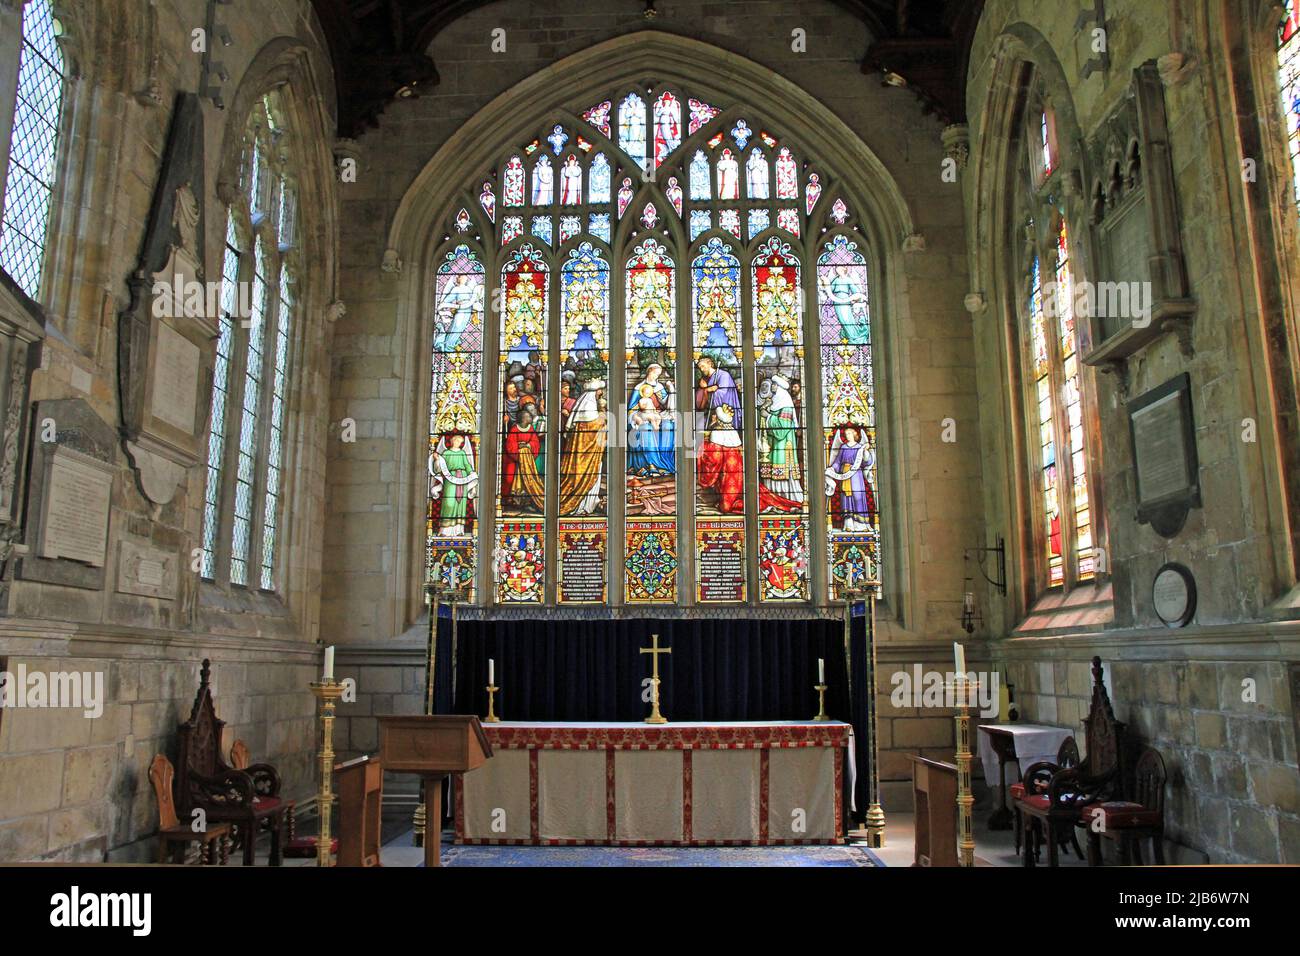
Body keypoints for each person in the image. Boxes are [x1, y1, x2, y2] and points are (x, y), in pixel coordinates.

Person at [557, 380, 607, 515]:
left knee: (594, 476)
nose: (600, 394)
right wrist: (603, 413)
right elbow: (595, 426)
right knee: (586, 477)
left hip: (589, 454)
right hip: (586, 457)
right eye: (599, 391)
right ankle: (582, 507)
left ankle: (589, 504)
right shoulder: (589, 406)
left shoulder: (586, 405)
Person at [759, 374, 803, 509]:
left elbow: (781, 431)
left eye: (774, 385)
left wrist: (768, 416)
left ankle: (785, 499)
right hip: (774, 447)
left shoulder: (786, 406)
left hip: (782, 447)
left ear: (779, 389)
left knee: (782, 474)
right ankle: (773, 500)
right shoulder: (776, 404)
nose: (772, 388)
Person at [824, 425, 875, 530]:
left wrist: (865, 452)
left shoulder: (859, 447)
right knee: (846, 497)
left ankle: (861, 524)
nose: (847, 435)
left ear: (854, 434)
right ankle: (848, 523)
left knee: (858, 497)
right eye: (846, 434)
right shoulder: (843, 447)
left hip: (857, 475)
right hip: (845, 474)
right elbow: (838, 461)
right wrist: (833, 469)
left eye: (849, 433)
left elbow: (868, 462)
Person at [697, 404, 745, 514]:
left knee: (726, 504)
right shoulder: (733, 432)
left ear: (719, 419)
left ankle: (727, 505)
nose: (713, 417)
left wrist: (702, 444)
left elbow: (714, 457)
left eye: (715, 416)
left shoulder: (716, 432)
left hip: (726, 470)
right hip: (737, 470)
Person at [429, 433, 477, 535]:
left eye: (460, 442)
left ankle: (459, 530)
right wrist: (437, 460)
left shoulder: (463, 453)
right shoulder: (446, 453)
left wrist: (471, 474)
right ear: (452, 441)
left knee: (460, 504)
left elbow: (467, 465)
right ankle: (445, 530)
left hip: (462, 478)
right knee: (449, 503)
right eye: (457, 441)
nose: (458, 443)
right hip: (450, 479)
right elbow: (439, 468)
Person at [696, 355, 742, 427]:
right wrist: (706, 390)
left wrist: (708, 390)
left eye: (703, 366)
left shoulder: (724, 375)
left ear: (710, 364)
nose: (701, 369)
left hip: (725, 410)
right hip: (711, 410)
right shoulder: (706, 379)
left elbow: (723, 393)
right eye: (700, 368)